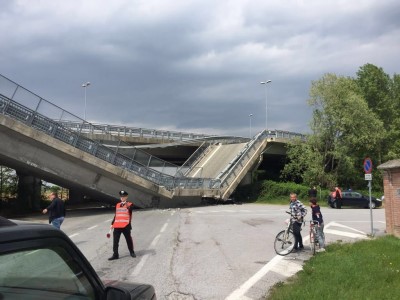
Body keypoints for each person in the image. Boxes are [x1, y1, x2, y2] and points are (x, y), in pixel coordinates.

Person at [108, 190, 136, 260]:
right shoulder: (117, 205)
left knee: (128, 240)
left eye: (123, 197)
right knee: (115, 241)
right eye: (121, 196)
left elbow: (131, 209)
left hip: (126, 226)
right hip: (117, 226)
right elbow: (116, 215)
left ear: (126, 197)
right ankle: (115, 254)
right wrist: (112, 224)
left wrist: (125, 203)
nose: (122, 198)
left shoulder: (130, 204)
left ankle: (132, 252)